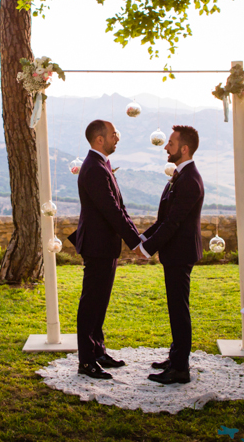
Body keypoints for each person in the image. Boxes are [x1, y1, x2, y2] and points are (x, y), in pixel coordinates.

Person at [67, 119, 142, 380]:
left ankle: (98, 351)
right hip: (97, 245)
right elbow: (111, 211)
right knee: (91, 303)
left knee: (100, 302)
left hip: (104, 245)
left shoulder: (100, 165)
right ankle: (86, 361)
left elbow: (118, 208)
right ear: (100, 139)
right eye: (113, 134)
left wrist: (137, 238)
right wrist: (136, 242)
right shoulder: (95, 169)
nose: (117, 138)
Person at [136, 125, 204, 385]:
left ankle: (180, 369)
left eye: (171, 143)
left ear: (184, 149)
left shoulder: (189, 180)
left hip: (180, 253)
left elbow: (173, 223)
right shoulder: (180, 176)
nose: (166, 147)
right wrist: (141, 238)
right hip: (174, 253)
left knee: (179, 310)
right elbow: (163, 219)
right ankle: (176, 357)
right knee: (176, 308)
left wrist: (147, 248)